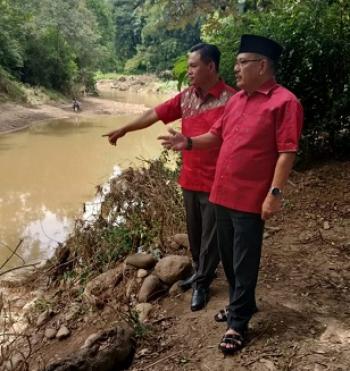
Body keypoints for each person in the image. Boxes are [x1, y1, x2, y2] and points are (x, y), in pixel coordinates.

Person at [158, 34, 303, 354]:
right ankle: (244, 305)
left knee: (244, 259)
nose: (235, 68)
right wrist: (189, 142)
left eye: (242, 62)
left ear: (262, 65)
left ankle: (237, 323)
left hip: (250, 198)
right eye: (236, 62)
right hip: (220, 193)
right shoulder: (236, 99)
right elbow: (216, 135)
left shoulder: (284, 102)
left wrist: (275, 193)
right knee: (228, 258)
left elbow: (286, 152)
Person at [103, 43, 236, 311]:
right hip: (190, 179)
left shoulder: (231, 100)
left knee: (212, 237)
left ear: (211, 66)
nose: (188, 71)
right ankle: (200, 271)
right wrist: (125, 128)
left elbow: (227, 138)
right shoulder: (186, 97)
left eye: (193, 65)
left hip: (218, 182)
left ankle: (203, 283)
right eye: (187, 66)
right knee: (196, 234)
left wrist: (189, 141)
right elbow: (154, 114)